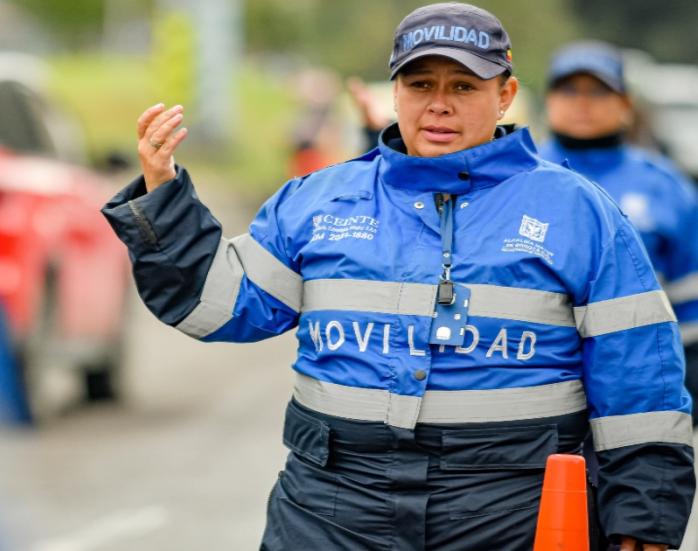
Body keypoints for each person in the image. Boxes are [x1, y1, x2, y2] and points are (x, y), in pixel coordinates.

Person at [102, 3, 695, 550]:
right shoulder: (318, 201)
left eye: (463, 86)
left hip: (511, 509)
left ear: (506, 95)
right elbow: (218, 306)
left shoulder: (578, 211)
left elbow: (639, 378)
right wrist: (164, 198)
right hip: (330, 506)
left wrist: (644, 516)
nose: (439, 104)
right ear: (396, 91)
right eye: (420, 85)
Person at [537, 41, 698, 414]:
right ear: (549, 99)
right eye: (568, 90)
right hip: (538, 377)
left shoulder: (665, 184)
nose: (582, 102)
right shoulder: (518, 176)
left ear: (625, 104)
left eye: (597, 91)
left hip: (641, 380)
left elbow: (690, 293)